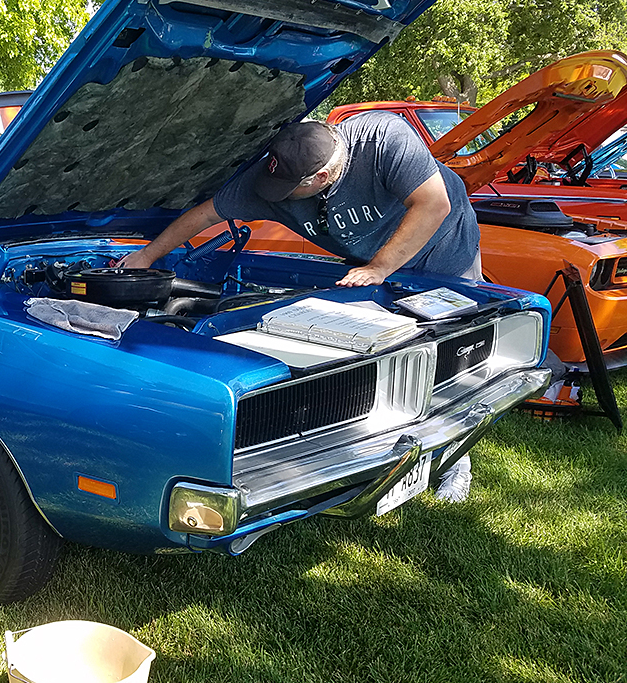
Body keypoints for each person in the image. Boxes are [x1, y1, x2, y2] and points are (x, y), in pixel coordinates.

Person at [119, 111, 481, 501]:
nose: (275, 193)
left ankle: (456, 458)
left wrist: (378, 268)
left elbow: (433, 204)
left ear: (321, 178)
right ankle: (374, 448)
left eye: (288, 188)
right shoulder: (274, 176)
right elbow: (206, 213)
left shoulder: (384, 138)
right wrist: (147, 256)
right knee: (384, 354)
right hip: (371, 266)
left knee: (452, 353)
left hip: (444, 251)